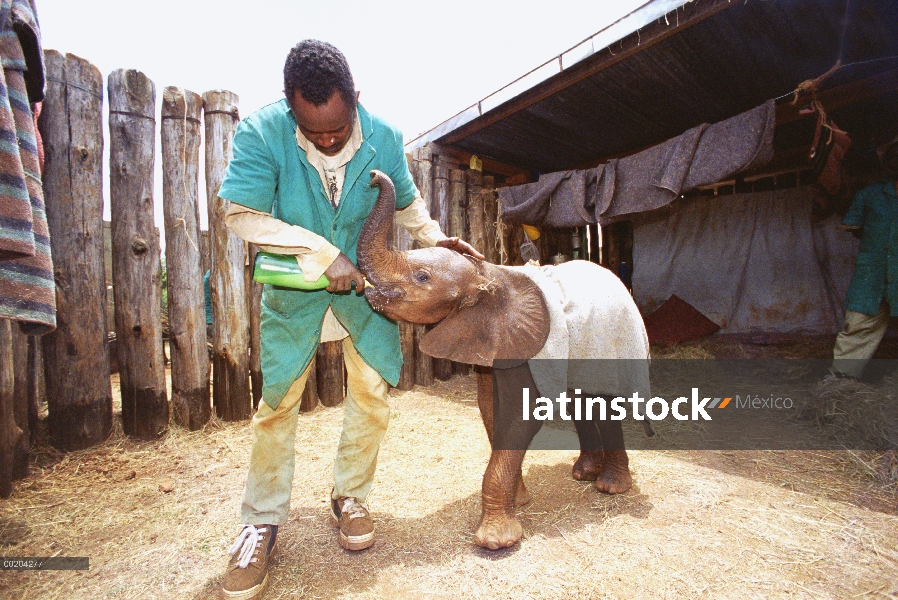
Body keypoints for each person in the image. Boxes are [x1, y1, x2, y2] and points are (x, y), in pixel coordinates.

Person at [217, 40, 483, 600]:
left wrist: (438, 242)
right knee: (278, 404)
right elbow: (241, 213)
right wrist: (319, 253)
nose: (328, 139)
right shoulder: (262, 133)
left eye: (337, 127)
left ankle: (350, 496)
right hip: (297, 293)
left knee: (371, 393)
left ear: (355, 100)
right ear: (292, 108)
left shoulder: (383, 136)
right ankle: (261, 520)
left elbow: (407, 207)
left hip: (368, 293)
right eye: (314, 132)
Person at [828, 134, 898, 380]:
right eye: (894, 157)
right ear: (888, 164)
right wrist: (882, 245)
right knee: (857, 326)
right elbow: (855, 228)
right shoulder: (870, 195)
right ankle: (838, 389)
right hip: (872, 275)